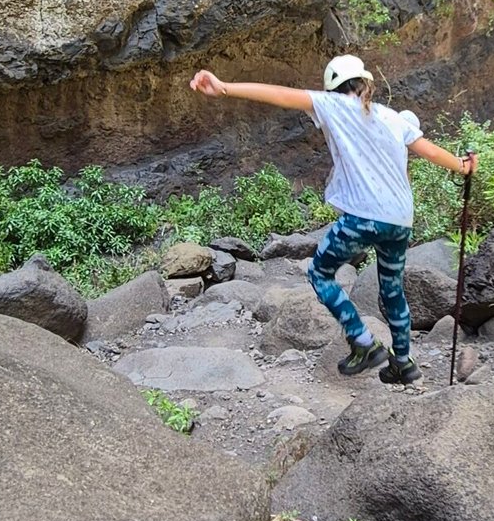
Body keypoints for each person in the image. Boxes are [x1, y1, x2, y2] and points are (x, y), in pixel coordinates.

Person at [189, 55, 474, 385]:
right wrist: (464, 166)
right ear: (364, 82)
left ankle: (363, 341)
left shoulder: (333, 104)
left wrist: (224, 87)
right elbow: (433, 153)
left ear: (335, 88)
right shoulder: (393, 118)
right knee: (393, 289)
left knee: (320, 273)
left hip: (363, 217)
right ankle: (404, 362)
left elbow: (279, 93)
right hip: (400, 221)